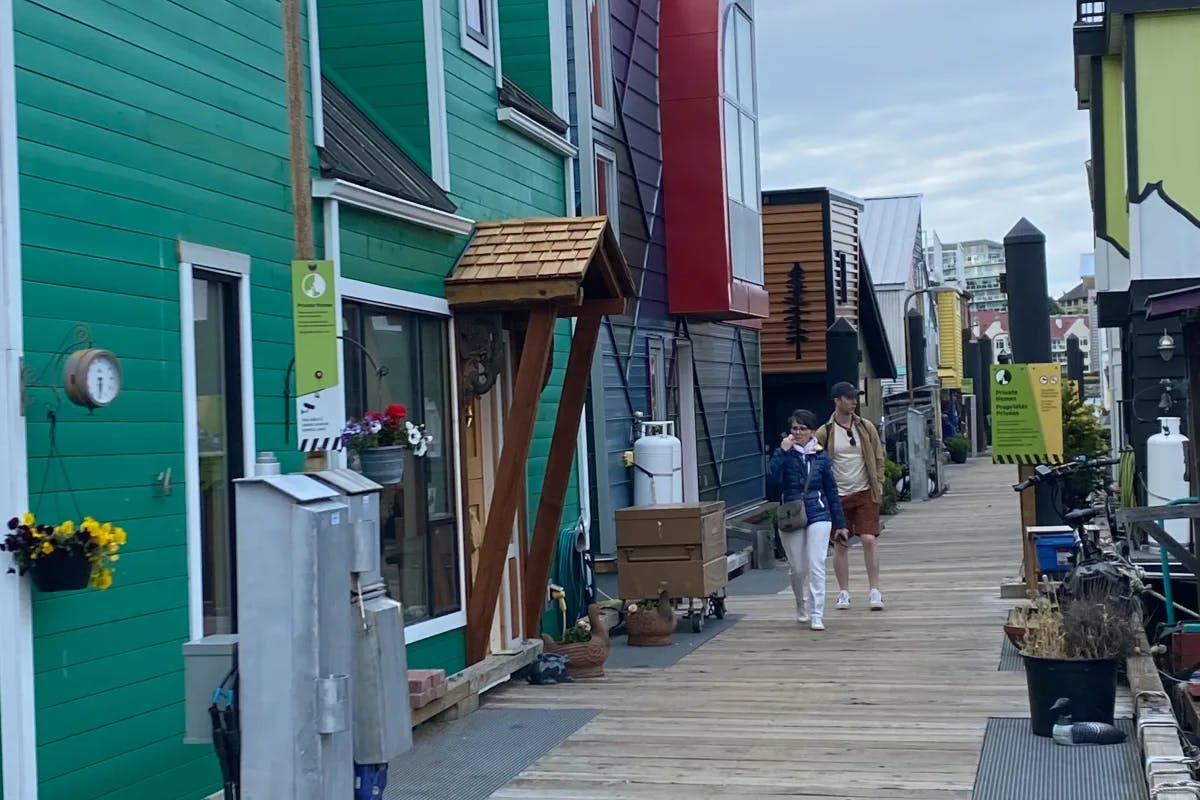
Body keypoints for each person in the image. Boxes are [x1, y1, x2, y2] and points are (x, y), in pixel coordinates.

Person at [768, 409, 847, 631]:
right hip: (792, 513)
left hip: (819, 513)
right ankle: (800, 603)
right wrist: (782, 453)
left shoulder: (821, 456)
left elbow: (831, 490)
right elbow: (772, 481)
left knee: (816, 563)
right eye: (795, 428)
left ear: (812, 431)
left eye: (803, 428)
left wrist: (840, 524)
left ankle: (817, 612)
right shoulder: (784, 452)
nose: (799, 432)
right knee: (798, 567)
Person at [817, 382, 887, 611]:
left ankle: (875, 589)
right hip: (837, 494)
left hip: (865, 490)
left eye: (855, 397)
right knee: (840, 543)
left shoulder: (865, 427)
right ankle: (843, 591)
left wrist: (879, 483)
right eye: (848, 397)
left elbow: (878, 456)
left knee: (869, 538)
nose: (853, 401)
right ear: (837, 400)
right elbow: (817, 461)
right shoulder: (825, 432)